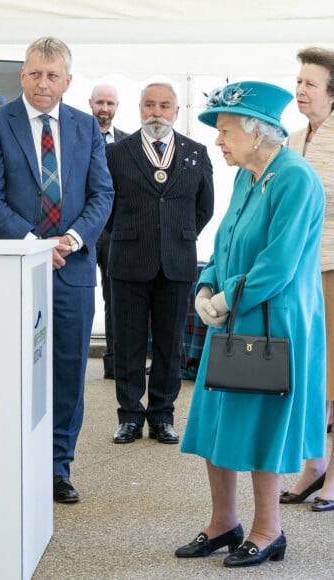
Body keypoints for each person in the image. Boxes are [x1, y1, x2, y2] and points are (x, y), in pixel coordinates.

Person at [177, 81, 326, 568]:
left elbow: (279, 263)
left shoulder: (295, 178)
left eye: (224, 130)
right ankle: (224, 523)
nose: (218, 140)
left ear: (257, 132)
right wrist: (206, 285)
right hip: (232, 313)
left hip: (275, 323)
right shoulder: (244, 175)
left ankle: (268, 530)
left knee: (262, 427)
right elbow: (224, 241)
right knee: (217, 419)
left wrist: (225, 295)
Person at [0, 37, 114, 503]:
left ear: (68, 81)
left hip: (72, 269)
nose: (43, 83)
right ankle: (9, 460)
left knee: (69, 371)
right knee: (9, 367)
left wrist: (70, 241)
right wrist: (36, 247)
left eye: (52, 76)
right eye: (35, 74)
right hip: (13, 268)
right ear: (22, 75)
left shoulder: (85, 127)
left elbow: (102, 195)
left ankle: (57, 467)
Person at [105, 82, 214, 445]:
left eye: (164, 106)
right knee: (128, 342)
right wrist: (127, 234)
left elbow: (205, 207)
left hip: (176, 261)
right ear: (138, 108)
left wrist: (177, 236)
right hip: (128, 259)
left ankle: (162, 416)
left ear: (176, 111)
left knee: (171, 344)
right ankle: (130, 416)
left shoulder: (196, 153)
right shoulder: (116, 153)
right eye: (149, 105)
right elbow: (105, 206)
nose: (156, 112)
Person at [279, 46, 334, 512]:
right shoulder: (290, 140)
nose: (300, 89)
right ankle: (312, 465)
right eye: (299, 81)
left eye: (310, 83)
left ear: (332, 94)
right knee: (309, 375)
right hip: (299, 275)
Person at [88, 83, 129, 380]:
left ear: (117, 106)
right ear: (91, 103)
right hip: (83, 232)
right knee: (77, 298)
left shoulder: (128, 143)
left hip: (116, 234)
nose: (104, 108)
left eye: (110, 103)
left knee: (116, 301)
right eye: (100, 102)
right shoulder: (76, 137)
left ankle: (114, 364)